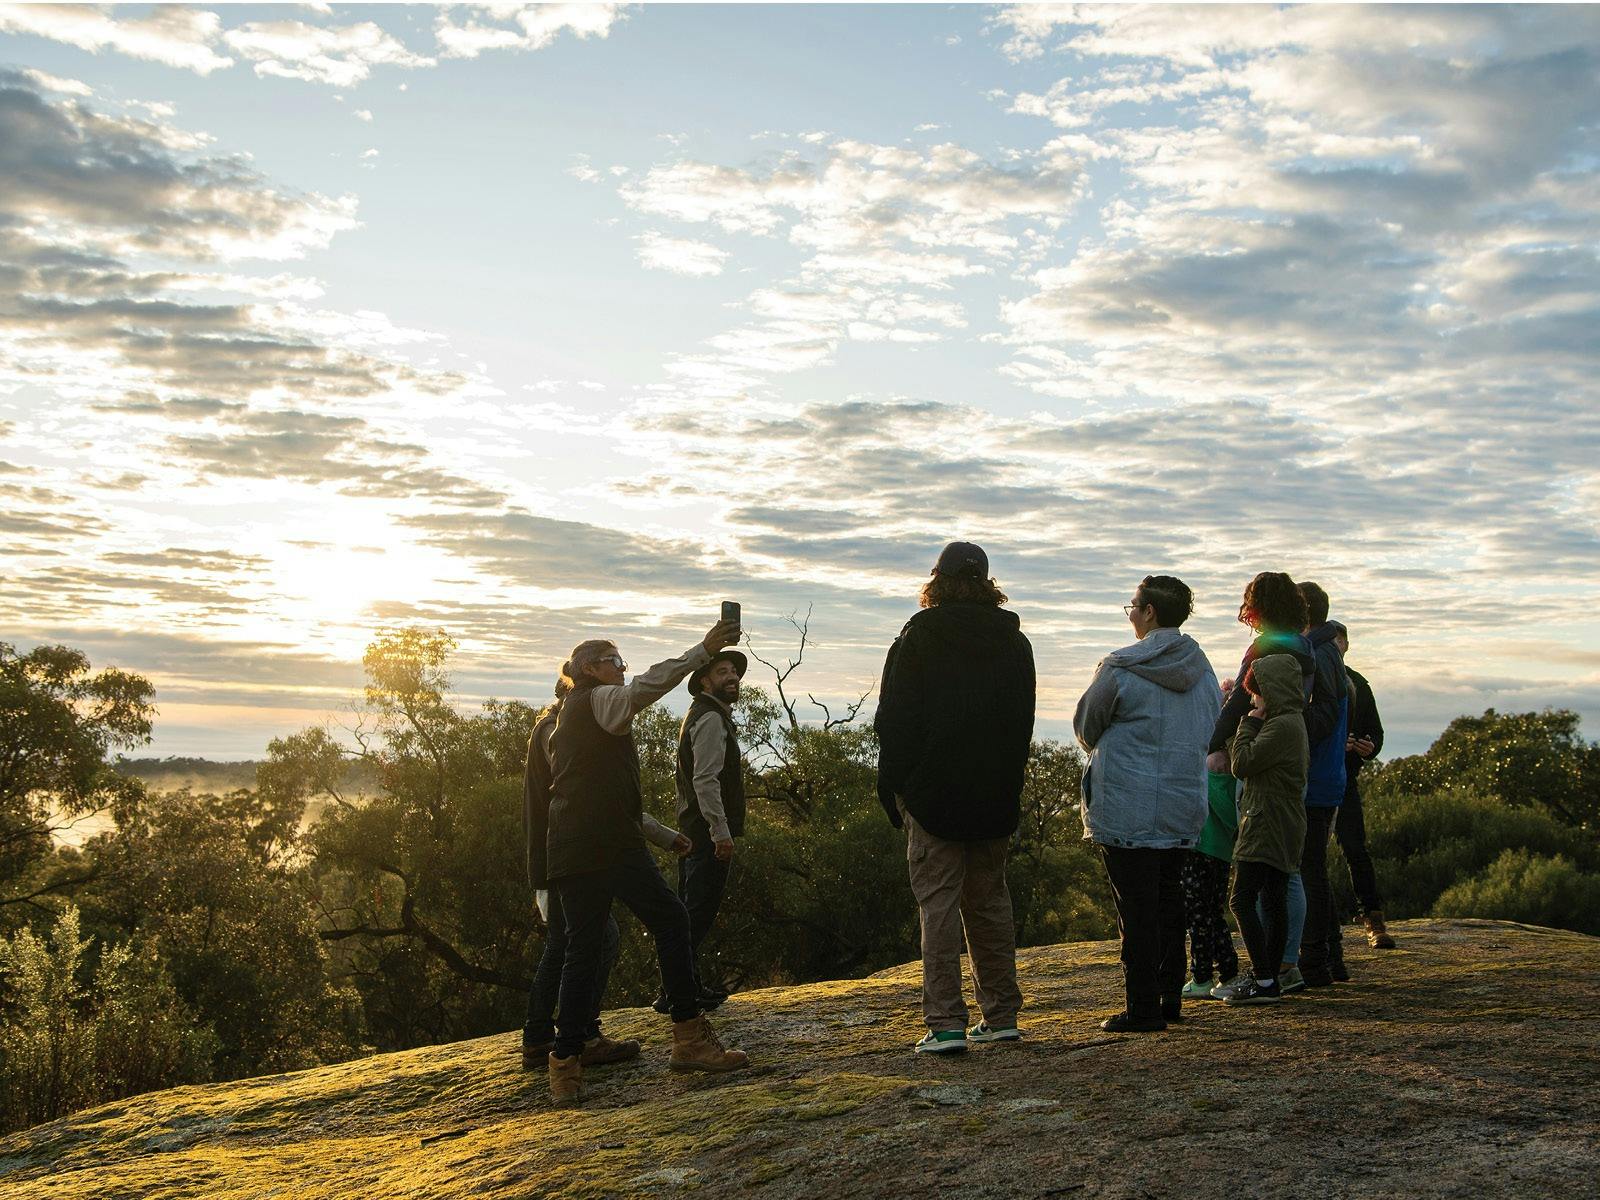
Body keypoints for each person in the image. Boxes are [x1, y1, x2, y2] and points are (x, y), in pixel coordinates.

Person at [544, 621, 749, 1107]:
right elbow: (648, 687)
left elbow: (595, 792)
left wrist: (661, 835)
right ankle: (688, 1039)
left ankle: (565, 1063)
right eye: (615, 661)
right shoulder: (597, 698)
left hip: (574, 846)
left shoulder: (566, 720)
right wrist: (702, 651)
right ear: (590, 668)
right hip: (609, 847)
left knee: (583, 949)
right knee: (672, 920)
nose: (623, 669)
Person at [875, 541, 1035, 1054]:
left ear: (937, 580)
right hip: (994, 793)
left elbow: (895, 721)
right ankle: (1002, 1015)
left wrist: (897, 785)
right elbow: (1022, 723)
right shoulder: (1017, 643)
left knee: (938, 903)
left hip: (932, 794)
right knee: (989, 900)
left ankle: (945, 1024)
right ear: (987, 583)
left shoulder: (918, 636)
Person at [1075, 575, 1221, 1032]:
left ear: (1149, 611)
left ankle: (1142, 1008)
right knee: (1170, 899)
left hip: (1126, 806)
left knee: (1135, 909)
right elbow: (1214, 725)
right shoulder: (1203, 670)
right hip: (1182, 803)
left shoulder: (1119, 668)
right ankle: (1170, 998)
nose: (1131, 614)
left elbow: (1086, 726)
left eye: (1132, 607)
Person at [523, 679, 689, 1070]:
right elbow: (587, 800)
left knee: (575, 943)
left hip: (562, 855)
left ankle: (547, 1039)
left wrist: (662, 836)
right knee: (578, 943)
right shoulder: (556, 733)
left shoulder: (553, 728)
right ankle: (567, 1039)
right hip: (568, 855)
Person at [1207, 572, 1314, 994]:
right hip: (1291, 772)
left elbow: (1239, 705)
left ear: (1256, 607)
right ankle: (1285, 964)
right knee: (1286, 874)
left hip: (1265, 772)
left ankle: (1270, 970)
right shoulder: (1305, 648)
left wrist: (1219, 742)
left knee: (1256, 884)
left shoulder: (1265, 649)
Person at [1214, 655, 1309, 1006]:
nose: (1254, 700)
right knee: (1273, 898)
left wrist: (1247, 726)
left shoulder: (1279, 725)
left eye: (1257, 694)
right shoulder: (1294, 721)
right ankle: (1269, 979)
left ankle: (1265, 977)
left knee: (1240, 900)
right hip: (1284, 821)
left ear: (1271, 692)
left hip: (1265, 820)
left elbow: (1242, 764)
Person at [672, 647, 748, 1009]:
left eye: (733, 671)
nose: (731, 677)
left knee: (690, 912)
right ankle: (677, 992)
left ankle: (683, 986)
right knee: (696, 914)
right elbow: (704, 781)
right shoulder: (710, 719)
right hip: (705, 834)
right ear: (705, 681)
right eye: (722, 671)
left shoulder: (701, 715)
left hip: (693, 829)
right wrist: (721, 831)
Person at [1296, 581, 1350, 987]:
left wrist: (1281, 730)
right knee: (1313, 866)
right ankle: (1330, 958)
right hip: (1325, 774)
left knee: (1308, 868)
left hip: (1315, 776)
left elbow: (1324, 716)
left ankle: (1315, 962)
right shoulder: (1327, 649)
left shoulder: (1319, 652)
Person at [1331, 623, 1395, 950]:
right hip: (1311, 779)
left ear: (1346, 645)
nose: (1334, 645)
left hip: (1345, 779)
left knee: (1356, 849)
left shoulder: (1358, 683)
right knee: (1303, 857)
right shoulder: (1309, 676)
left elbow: (1376, 732)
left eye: (1338, 640)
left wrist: (1368, 745)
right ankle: (1319, 931)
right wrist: (1334, 743)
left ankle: (1373, 919)